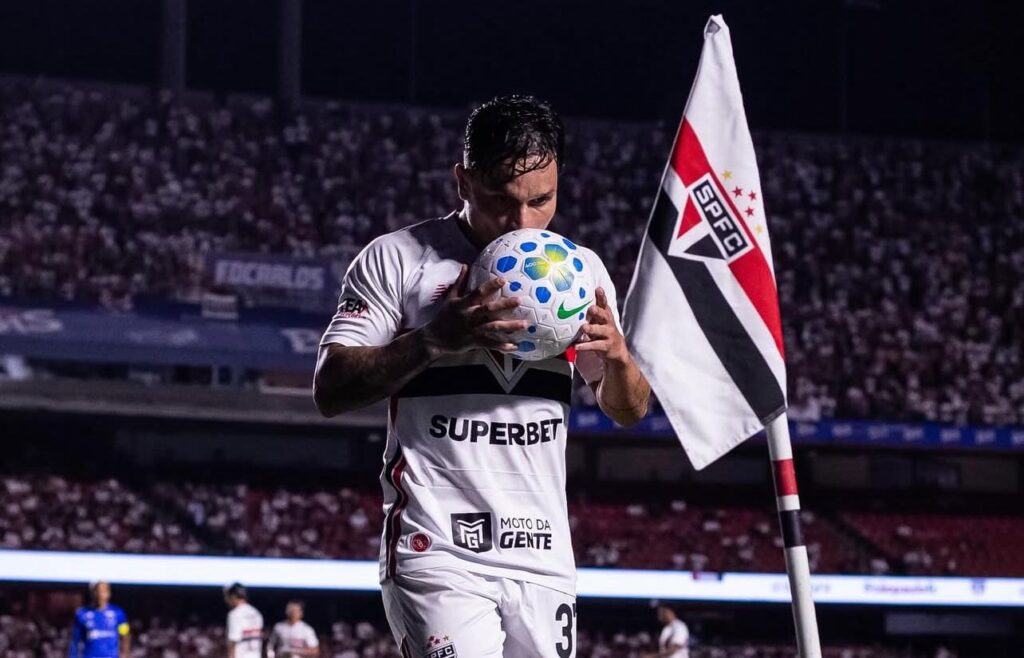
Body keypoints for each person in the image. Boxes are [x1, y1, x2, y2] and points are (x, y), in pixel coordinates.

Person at [314, 94, 650, 657]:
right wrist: (432, 340)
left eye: (541, 200)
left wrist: (617, 358)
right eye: (501, 200)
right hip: (439, 547)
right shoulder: (399, 258)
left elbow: (628, 409)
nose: (522, 221)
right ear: (462, 182)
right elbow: (330, 388)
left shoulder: (580, 271)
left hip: (543, 556)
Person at [69, 581, 130, 658]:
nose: (100, 594)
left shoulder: (118, 613)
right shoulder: (81, 614)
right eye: (97, 591)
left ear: (109, 593)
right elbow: (75, 640)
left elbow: (125, 635)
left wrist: (125, 654)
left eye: (104, 591)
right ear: (92, 593)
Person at [224, 583, 264, 658]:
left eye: (227, 597)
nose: (226, 600)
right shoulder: (256, 613)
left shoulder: (235, 614)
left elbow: (233, 641)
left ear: (233, 596)